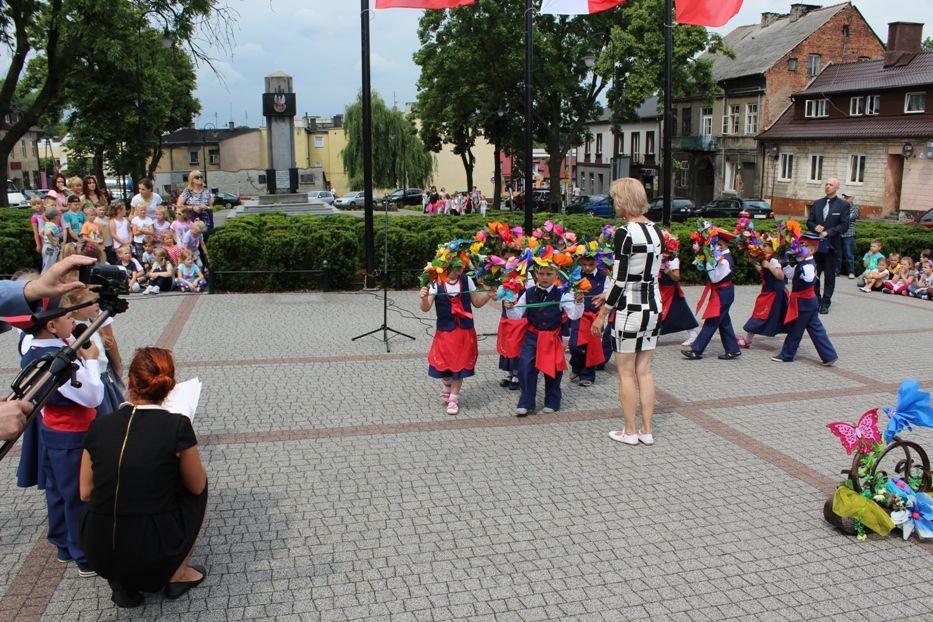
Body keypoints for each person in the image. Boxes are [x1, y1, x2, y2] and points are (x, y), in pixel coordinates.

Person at [80, 347, 208, 607]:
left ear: (129, 382)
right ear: (170, 386)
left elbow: (84, 491)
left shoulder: (99, 425)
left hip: (98, 548)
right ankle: (177, 573)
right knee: (199, 488)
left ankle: (122, 584)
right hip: (153, 546)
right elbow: (196, 486)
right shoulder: (177, 426)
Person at [20, 297, 103, 577]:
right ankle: (83, 554)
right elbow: (92, 396)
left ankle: (62, 543)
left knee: (57, 490)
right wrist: (91, 362)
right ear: (53, 325)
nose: (74, 321)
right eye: (68, 317)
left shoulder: (31, 349)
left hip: (50, 430)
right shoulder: (58, 359)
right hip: (73, 435)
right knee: (78, 495)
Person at [589, 179, 663, 446]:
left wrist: (603, 312)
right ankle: (647, 429)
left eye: (615, 198)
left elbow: (621, 280)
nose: (613, 204)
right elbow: (645, 274)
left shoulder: (625, 233)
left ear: (623, 200)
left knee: (626, 373)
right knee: (645, 371)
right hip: (653, 306)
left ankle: (629, 431)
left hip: (629, 309)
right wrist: (608, 296)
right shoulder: (657, 231)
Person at [505, 262, 584, 417]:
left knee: (553, 370)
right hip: (532, 336)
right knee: (525, 368)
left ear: (556, 276)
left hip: (551, 337)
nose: (545, 277)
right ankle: (526, 403)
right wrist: (509, 307)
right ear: (535, 276)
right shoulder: (528, 293)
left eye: (549, 274)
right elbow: (516, 315)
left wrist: (579, 302)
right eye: (541, 274)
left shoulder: (563, 294)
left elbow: (575, 315)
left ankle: (552, 401)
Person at [419, 258, 493, 415]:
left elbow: (477, 303)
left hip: (465, 331)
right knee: (445, 365)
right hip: (445, 330)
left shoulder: (466, 280)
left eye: (462, 268)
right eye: (457, 268)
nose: (460, 271)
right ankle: (447, 382)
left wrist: (488, 295)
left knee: (460, 364)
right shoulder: (436, 281)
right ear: (447, 266)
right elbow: (425, 308)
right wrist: (424, 298)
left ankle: (453, 398)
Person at [772, 233, 838, 365]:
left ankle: (787, 355)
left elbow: (809, 279)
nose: (799, 248)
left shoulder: (808, 265)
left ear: (812, 250)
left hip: (804, 304)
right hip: (808, 303)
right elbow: (791, 275)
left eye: (804, 246)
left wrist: (803, 272)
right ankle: (829, 355)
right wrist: (785, 263)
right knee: (816, 329)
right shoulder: (802, 263)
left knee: (796, 329)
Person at [682, 228, 741, 361]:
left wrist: (708, 261)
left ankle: (697, 350)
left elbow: (715, 278)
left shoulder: (725, 260)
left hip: (722, 293)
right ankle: (733, 349)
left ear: (724, 244)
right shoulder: (721, 258)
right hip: (721, 292)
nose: (715, 247)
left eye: (717, 244)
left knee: (712, 321)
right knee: (724, 322)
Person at [65, 289, 124, 417]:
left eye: (97, 300)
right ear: (75, 308)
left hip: (104, 377)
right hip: (93, 379)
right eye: (91, 302)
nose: (97, 304)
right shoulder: (73, 331)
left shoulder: (92, 322)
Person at [806, 177, 850, 314]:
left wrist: (829, 232)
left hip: (832, 246)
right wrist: (815, 227)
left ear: (836, 187)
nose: (827, 186)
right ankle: (816, 300)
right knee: (815, 274)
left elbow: (844, 225)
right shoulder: (818, 203)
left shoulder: (843, 205)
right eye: (826, 184)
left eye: (830, 185)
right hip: (816, 246)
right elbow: (809, 222)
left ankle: (825, 303)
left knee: (829, 276)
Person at [568, 246, 608, 387]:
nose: (588, 268)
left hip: (594, 316)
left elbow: (608, 295)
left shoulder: (604, 277)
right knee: (574, 345)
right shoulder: (576, 275)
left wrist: (604, 298)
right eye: (584, 264)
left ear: (597, 262)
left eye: (591, 264)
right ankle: (576, 366)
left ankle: (588, 375)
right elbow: (569, 293)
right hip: (579, 315)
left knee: (591, 346)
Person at [737, 253, 789, 349]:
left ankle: (747, 340)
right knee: (776, 317)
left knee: (759, 315)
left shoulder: (774, 260)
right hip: (770, 292)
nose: (762, 247)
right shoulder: (768, 259)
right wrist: (754, 262)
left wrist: (769, 265)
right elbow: (764, 272)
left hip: (774, 294)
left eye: (765, 245)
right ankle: (793, 341)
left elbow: (781, 276)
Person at [657, 230, 699, 346]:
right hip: (660, 289)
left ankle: (693, 334)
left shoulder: (673, 259)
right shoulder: (658, 257)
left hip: (671, 290)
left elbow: (676, 277)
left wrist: (667, 270)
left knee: (682, 312)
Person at [176, 170, 214, 238]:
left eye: (201, 177)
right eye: (197, 177)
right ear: (192, 179)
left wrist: (206, 207)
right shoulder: (187, 192)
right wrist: (192, 208)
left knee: (205, 241)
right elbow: (179, 206)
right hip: (192, 222)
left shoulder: (207, 191)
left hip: (205, 223)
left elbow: (211, 207)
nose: (200, 178)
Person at [837, 193, 859, 279]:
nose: (845, 198)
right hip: (839, 233)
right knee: (837, 253)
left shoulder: (855, 207)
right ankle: (836, 271)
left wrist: (840, 217)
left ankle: (851, 272)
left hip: (849, 233)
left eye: (847, 197)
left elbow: (849, 218)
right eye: (844, 196)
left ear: (852, 198)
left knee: (849, 254)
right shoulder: (839, 206)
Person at [42, 207, 64, 273]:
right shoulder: (53, 226)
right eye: (58, 215)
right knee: (49, 266)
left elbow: (41, 233)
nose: (59, 217)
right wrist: (53, 242)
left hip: (46, 246)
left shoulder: (47, 224)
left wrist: (46, 239)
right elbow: (48, 233)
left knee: (46, 263)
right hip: (50, 248)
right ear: (55, 217)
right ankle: (44, 281)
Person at [29, 197, 46, 269]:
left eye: (38, 203)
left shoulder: (46, 213)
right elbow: (36, 233)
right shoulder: (34, 217)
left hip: (52, 237)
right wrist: (38, 245)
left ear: (42, 204)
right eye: (34, 204)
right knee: (45, 258)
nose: (37, 205)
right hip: (43, 240)